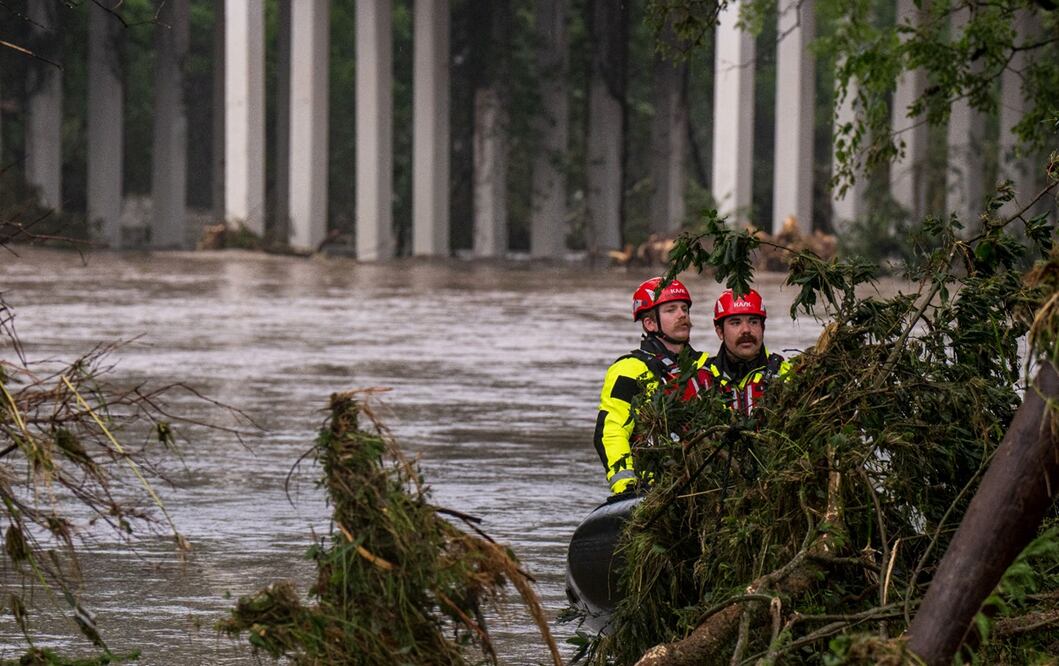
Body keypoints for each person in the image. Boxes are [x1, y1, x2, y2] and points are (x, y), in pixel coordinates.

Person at [594, 277, 712, 495]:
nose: (682, 315)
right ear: (650, 323)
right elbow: (612, 431)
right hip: (651, 489)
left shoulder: (706, 368)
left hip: (703, 484)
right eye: (671, 310)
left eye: (684, 308)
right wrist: (626, 487)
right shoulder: (629, 370)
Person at [703, 288, 791, 416]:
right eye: (736, 323)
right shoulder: (702, 380)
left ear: (763, 328)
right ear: (720, 332)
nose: (746, 330)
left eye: (753, 322)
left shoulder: (787, 376)